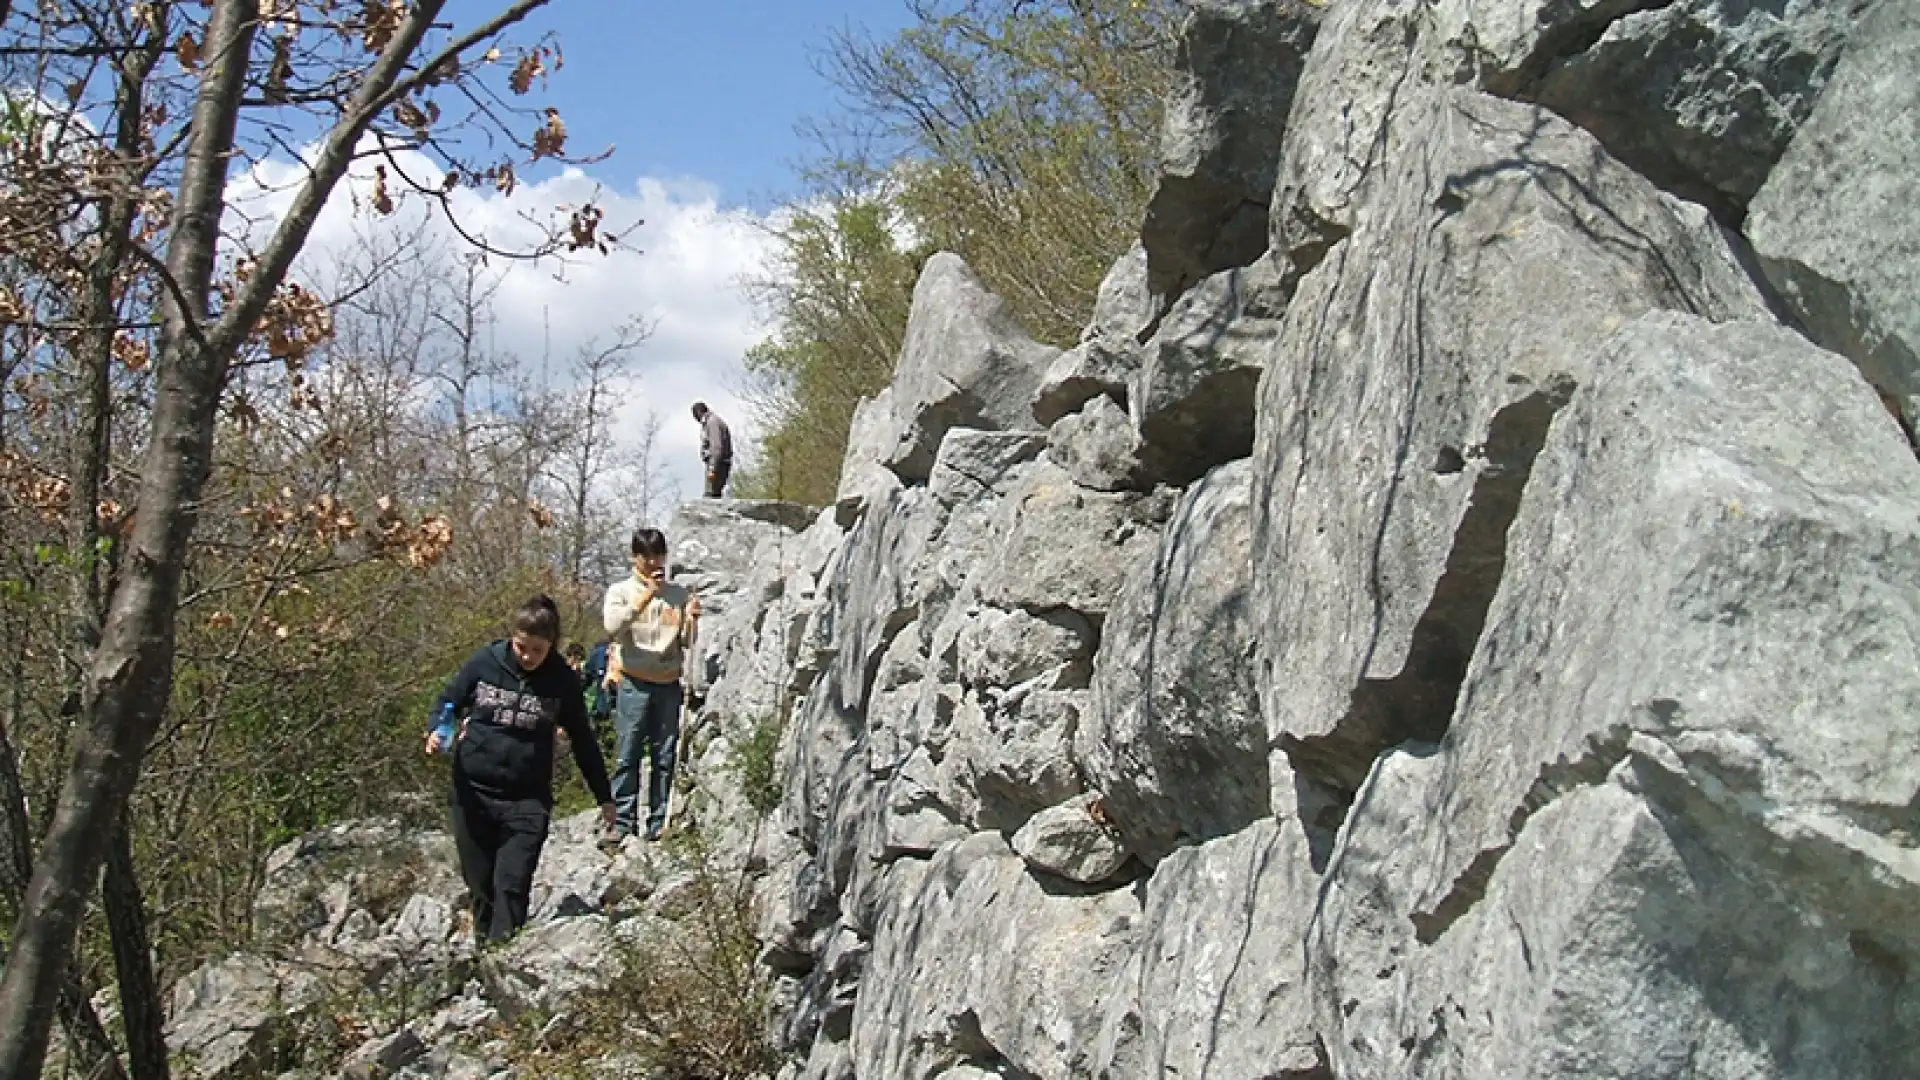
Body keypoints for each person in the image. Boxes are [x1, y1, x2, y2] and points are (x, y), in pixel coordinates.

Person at [427, 595, 617, 944]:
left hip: (526, 799)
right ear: (511, 637)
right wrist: (440, 731)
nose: (528, 657)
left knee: (511, 885)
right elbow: (449, 702)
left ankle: (506, 958)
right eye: (521, 647)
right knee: (481, 885)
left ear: (552, 645)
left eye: (537, 650)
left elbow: (583, 740)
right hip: (474, 792)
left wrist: (604, 796)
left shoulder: (562, 681)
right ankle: (484, 957)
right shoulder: (485, 663)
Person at [601, 527, 701, 840]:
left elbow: (687, 642)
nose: (654, 561)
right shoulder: (621, 591)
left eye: (659, 554)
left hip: (668, 682)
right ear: (636, 558)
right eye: (647, 555)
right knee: (628, 752)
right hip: (634, 681)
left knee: (664, 754)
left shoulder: (679, 595)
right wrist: (645, 598)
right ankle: (623, 821)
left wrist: (691, 620)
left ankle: (659, 821)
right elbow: (613, 627)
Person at [691, 402, 732, 498]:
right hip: (719, 463)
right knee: (715, 495)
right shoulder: (714, 421)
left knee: (710, 496)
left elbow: (716, 447)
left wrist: (712, 468)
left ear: (698, 413)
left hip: (718, 464)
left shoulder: (712, 422)